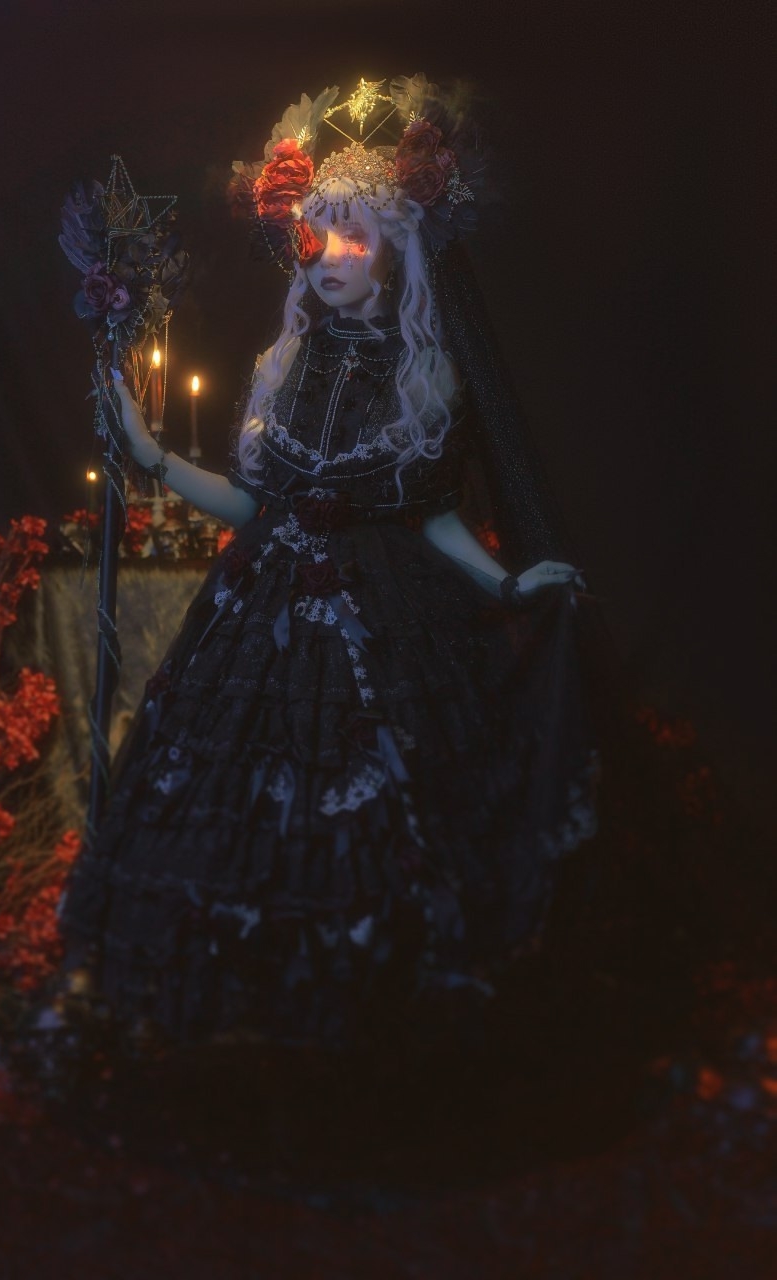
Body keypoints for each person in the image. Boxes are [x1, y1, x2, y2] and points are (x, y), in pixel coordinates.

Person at [57, 75, 602, 1053]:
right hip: (260, 606)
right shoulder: (287, 363)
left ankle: (372, 1015)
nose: (331, 254)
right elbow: (250, 504)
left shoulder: (425, 374)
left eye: (355, 235)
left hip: (385, 612)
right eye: (318, 232)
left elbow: (430, 517)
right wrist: (150, 456)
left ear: (398, 252)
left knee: (385, 803)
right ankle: (244, 1007)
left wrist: (507, 582)